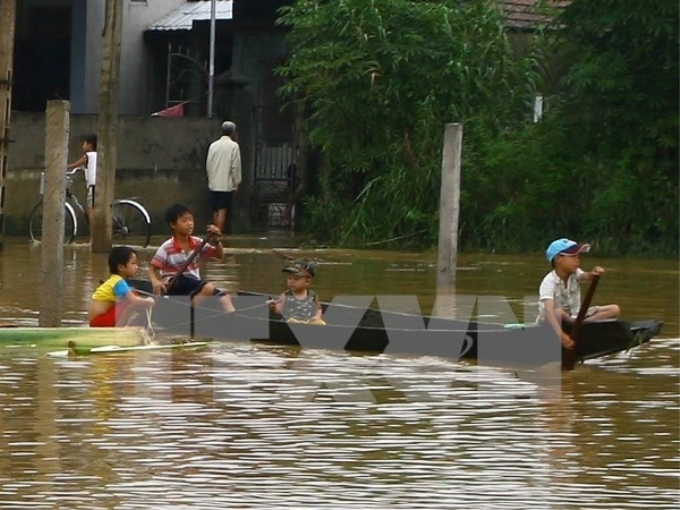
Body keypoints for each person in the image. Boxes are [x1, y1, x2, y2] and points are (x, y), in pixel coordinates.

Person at [148, 203, 235, 313]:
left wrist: (216, 241)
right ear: (173, 225)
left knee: (225, 298)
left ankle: (234, 321)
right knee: (208, 288)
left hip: (193, 283)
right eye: (184, 221)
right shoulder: (167, 247)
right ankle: (185, 314)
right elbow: (152, 269)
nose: (189, 224)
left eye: (191, 220)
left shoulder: (197, 243)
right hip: (174, 284)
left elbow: (219, 256)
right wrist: (155, 281)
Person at [538, 238, 621, 349]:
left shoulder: (575, 273)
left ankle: (582, 326)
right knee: (557, 312)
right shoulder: (549, 282)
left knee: (614, 309)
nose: (577, 260)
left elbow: (586, 276)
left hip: (575, 318)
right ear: (558, 259)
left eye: (578, 257)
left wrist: (594, 273)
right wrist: (562, 336)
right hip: (551, 321)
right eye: (573, 256)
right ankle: (578, 326)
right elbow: (549, 311)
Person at [89, 246, 155, 327]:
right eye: (133, 263)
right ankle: (119, 329)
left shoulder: (114, 280)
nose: (137, 267)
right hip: (99, 322)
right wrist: (148, 301)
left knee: (130, 295)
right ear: (121, 267)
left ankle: (122, 327)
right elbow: (135, 300)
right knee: (132, 296)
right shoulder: (119, 282)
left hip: (96, 321)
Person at [206, 121, 242, 235]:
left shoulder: (213, 145)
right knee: (222, 209)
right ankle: (218, 234)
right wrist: (236, 182)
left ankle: (213, 233)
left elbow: (208, 164)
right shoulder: (234, 146)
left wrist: (210, 179)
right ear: (233, 132)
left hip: (214, 183)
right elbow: (235, 166)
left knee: (215, 209)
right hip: (226, 184)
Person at [67, 133, 97, 231]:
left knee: (90, 211)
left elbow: (76, 164)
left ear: (90, 145)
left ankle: (93, 237)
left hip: (93, 186)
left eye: (84, 143)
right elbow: (83, 167)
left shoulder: (88, 155)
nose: (82, 146)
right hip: (99, 185)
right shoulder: (97, 155)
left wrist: (62, 167)